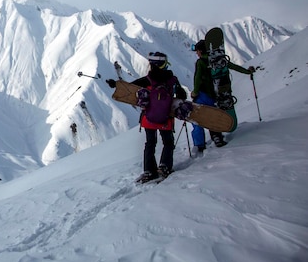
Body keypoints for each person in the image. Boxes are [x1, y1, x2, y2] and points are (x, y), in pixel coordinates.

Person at [109, 52, 187, 183]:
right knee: (168, 142)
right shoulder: (172, 80)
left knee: (150, 144)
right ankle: (164, 166)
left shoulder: (148, 80)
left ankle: (149, 171)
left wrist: (114, 84)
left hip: (148, 119)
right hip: (165, 119)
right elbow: (182, 95)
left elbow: (129, 87)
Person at [191, 40, 255, 151]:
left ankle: (199, 145)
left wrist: (195, 92)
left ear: (201, 51)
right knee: (213, 116)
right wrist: (247, 71)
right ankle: (217, 137)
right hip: (217, 94)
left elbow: (197, 78)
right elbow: (234, 66)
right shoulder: (219, 59)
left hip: (203, 94)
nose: (197, 53)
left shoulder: (200, 62)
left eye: (197, 51)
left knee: (197, 117)